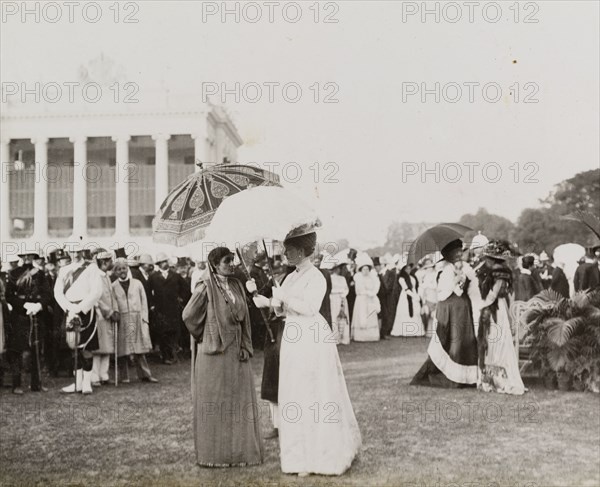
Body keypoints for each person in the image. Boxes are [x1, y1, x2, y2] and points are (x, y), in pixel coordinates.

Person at [253, 228, 361, 477]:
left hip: (311, 337)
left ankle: (320, 457)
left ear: (301, 251)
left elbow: (310, 308)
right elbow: (282, 311)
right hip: (292, 336)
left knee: (312, 391)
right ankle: (298, 457)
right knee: (294, 392)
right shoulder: (290, 277)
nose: (284, 253)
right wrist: (265, 300)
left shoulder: (317, 277)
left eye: (288, 249)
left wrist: (284, 298)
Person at [183, 247, 263, 467]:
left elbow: (244, 318)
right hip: (214, 355)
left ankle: (239, 455)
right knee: (216, 404)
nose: (231, 264)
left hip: (237, 351)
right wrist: (207, 335)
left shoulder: (237, 284)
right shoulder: (204, 287)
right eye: (227, 261)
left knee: (239, 402)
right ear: (215, 264)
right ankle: (215, 457)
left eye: (232, 260)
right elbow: (188, 315)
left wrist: (246, 344)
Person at [411, 239, 480, 388]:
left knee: (465, 340)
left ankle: (466, 378)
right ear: (449, 255)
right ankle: (451, 377)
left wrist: (464, 279)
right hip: (449, 309)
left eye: (460, 251)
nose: (459, 254)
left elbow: (471, 288)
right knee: (452, 341)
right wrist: (455, 280)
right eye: (455, 252)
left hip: (463, 309)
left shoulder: (467, 268)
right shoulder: (445, 271)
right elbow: (442, 294)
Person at [476, 241, 525, 395]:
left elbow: (494, 292)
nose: (487, 261)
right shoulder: (504, 271)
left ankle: (499, 379)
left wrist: (481, 304)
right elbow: (510, 294)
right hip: (500, 307)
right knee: (494, 340)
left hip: (495, 307)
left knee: (495, 340)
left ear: (493, 259)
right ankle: (491, 378)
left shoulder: (498, 272)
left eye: (488, 258)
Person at [55, 244, 103, 395]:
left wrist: (81, 308)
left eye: (78, 250)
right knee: (73, 347)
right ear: (68, 251)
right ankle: (78, 383)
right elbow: (57, 292)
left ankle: (87, 383)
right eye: (72, 250)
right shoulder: (63, 270)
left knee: (87, 348)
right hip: (69, 311)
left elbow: (96, 291)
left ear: (83, 250)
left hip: (86, 311)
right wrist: (69, 308)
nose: (75, 253)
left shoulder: (92, 268)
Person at [5, 251, 52, 394]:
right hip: (19, 315)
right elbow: (9, 296)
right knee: (16, 351)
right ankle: (17, 384)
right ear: (20, 257)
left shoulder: (40, 273)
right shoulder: (13, 274)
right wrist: (23, 305)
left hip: (36, 314)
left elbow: (47, 294)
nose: (26, 258)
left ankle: (36, 384)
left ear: (33, 257)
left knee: (36, 350)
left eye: (29, 255)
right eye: (23, 256)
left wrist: (39, 306)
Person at [112, 259, 158, 383]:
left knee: (139, 348)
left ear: (127, 269)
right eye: (119, 269)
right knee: (122, 349)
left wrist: (144, 318)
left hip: (137, 317)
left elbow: (144, 301)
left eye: (124, 268)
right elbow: (114, 303)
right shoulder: (114, 286)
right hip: (122, 318)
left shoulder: (137, 283)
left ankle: (145, 374)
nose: (122, 271)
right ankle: (124, 376)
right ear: (115, 271)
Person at [149, 253, 191, 364]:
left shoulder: (175, 276)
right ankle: (165, 355)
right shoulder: (153, 277)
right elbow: (148, 292)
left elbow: (185, 288)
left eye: (166, 261)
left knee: (173, 332)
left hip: (173, 309)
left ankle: (172, 354)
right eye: (162, 262)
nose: (165, 264)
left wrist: (181, 299)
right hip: (160, 310)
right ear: (158, 264)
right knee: (162, 333)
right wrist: (152, 305)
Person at [90, 250, 119, 386]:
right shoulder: (95, 277)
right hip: (99, 315)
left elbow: (111, 296)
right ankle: (94, 376)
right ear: (103, 262)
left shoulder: (106, 276)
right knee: (98, 348)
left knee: (107, 346)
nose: (112, 263)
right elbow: (97, 297)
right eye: (110, 261)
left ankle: (104, 374)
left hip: (108, 316)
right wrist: (108, 311)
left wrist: (115, 310)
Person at [351, 254, 381, 342]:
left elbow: (375, 287)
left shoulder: (372, 278)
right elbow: (359, 290)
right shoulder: (358, 278)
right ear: (361, 270)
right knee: (362, 315)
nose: (366, 271)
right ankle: (361, 336)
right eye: (364, 269)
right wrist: (366, 292)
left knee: (370, 315)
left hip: (370, 299)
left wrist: (372, 293)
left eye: (367, 269)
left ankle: (371, 336)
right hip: (362, 299)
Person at [391, 263, 425, 337]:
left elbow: (416, 286)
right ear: (403, 269)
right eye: (406, 269)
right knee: (405, 311)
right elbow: (406, 289)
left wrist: (417, 295)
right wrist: (414, 296)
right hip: (406, 296)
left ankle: (415, 331)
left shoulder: (413, 276)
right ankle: (405, 331)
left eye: (409, 268)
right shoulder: (401, 278)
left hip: (414, 294)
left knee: (416, 311)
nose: (408, 270)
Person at [329, 263, 350, 344]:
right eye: (336, 268)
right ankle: (335, 337)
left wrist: (343, 294)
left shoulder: (342, 278)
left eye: (339, 268)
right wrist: (337, 292)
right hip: (334, 299)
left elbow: (346, 288)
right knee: (335, 316)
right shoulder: (330, 278)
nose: (338, 270)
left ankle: (343, 338)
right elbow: (330, 289)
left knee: (343, 317)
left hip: (342, 298)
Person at [418, 258, 438, 336]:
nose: (429, 269)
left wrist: (427, 286)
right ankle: (428, 331)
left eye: (430, 267)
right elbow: (422, 287)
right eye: (427, 267)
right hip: (427, 297)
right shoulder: (425, 276)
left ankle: (433, 332)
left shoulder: (435, 274)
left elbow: (435, 286)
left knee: (433, 315)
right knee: (426, 314)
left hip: (434, 297)